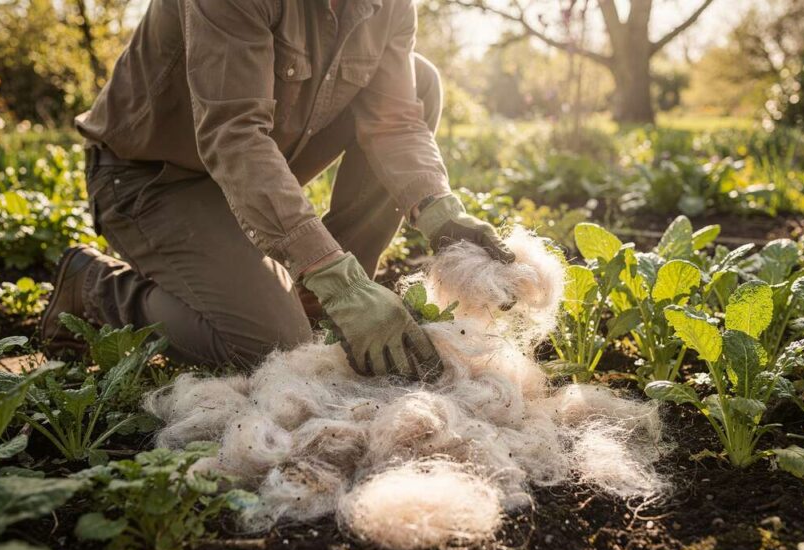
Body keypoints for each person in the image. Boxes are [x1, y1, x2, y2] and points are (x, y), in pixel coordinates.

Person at [40, 0, 513, 380]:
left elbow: (395, 122)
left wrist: (439, 212)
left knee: (420, 79)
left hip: (247, 176)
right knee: (274, 350)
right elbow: (235, 137)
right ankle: (95, 288)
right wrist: (335, 277)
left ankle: (319, 302)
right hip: (151, 178)